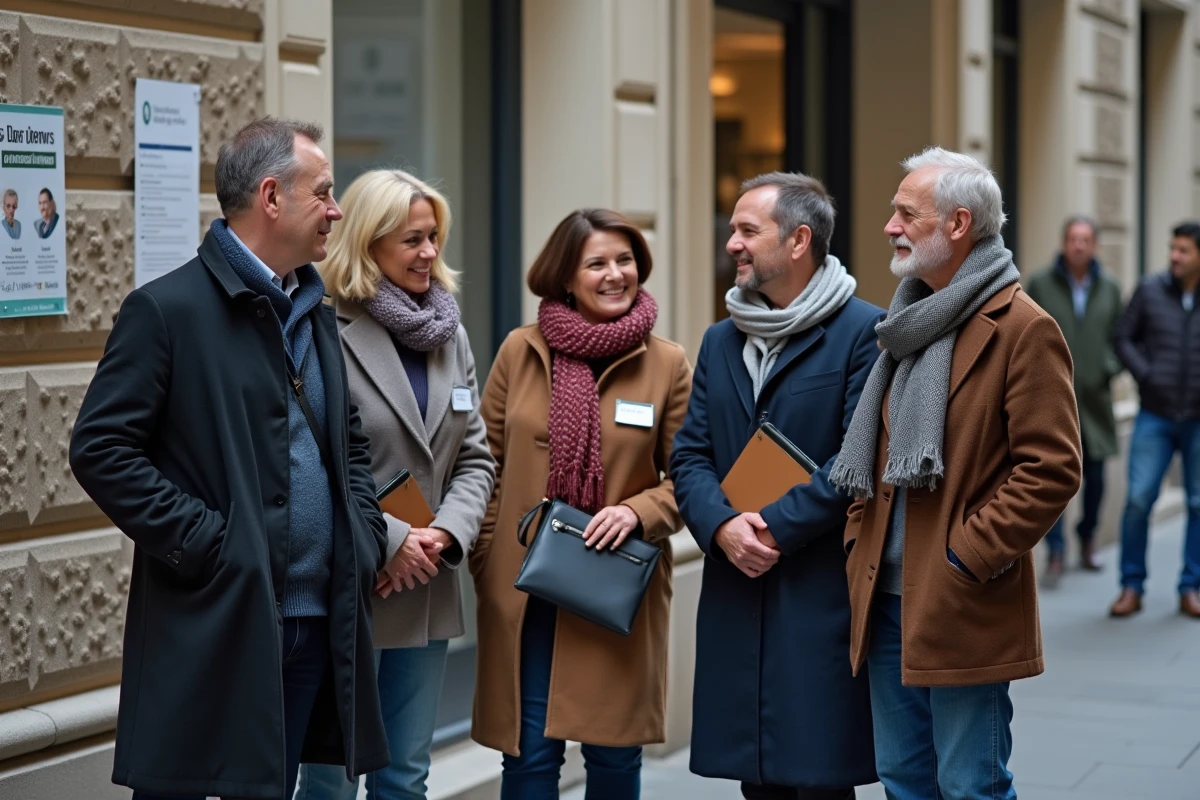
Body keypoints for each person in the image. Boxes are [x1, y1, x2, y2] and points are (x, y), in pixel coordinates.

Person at [68, 118, 390, 800]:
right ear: (272, 197)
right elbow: (100, 449)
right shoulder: (164, 311)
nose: (337, 210)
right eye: (324, 192)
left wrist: (359, 533)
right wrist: (211, 544)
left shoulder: (316, 310)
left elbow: (349, 444)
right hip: (211, 619)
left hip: (311, 624)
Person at [832, 147, 1082, 800]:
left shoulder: (1023, 328)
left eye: (905, 212)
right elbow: (877, 453)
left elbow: (1050, 470)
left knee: (970, 785)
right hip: (884, 600)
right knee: (904, 781)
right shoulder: (907, 321)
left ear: (959, 224)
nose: (890, 226)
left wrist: (963, 557)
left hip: (961, 597)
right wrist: (859, 536)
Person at [671, 172, 880, 800]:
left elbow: (855, 459)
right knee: (754, 781)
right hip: (737, 585)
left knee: (820, 778)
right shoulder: (718, 339)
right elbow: (690, 456)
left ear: (798, 241)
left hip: (816, 592)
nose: (731, 242)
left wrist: (771, 527)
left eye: (746, 230)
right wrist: (722, 526)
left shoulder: (864, 332)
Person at [470, 208, 692, 799]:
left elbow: (690, 478)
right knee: (530, 762)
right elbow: (483, 465)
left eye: (625, 261)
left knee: (615, 762)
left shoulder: (666, 362)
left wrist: (638, 513)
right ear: (566, 276)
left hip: (612, 589)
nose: (615, 274)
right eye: (597, 263)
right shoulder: (520, 351)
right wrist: (487, 560)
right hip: (527, 591)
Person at [296, 170, 494, 799]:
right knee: (330, 779)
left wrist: (441, 538)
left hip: (426, 584)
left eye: (434, 237)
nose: (430, 254)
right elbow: (310, 465)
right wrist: (394, 540)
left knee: (406, 778)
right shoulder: (320, 329)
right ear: (367, 241)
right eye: (412, 240)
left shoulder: (449, 335)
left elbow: (475, 457)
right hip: (354, 581)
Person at [1110, 221, 1200, 618]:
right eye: (1173, 248)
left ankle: (1190, 587)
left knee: (1198, 505)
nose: (1174, 256)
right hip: (1154, 415)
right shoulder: (1149, 290)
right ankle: (1131, 585)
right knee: (1138, 500)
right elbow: (1122, 337)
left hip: (1198, 418)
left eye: (1183, 250)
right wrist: (1146, 374)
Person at [1026, 215, 1123, 582]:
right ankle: (1056, 550)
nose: (1078, 245)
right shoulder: (1041, 282)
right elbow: (1027, 333)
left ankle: (1087, 540)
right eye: (1072, 239)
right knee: (1053, 476)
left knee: (1095, 478)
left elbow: (1121, 334)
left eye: (1084, 239)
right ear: (1063, 243)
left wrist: (1107, 367)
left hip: (1095, 402)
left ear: (1094, 245)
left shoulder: (1110, 287)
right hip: (1053, 398)